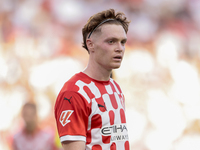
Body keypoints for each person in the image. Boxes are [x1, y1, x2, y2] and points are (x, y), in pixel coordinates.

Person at [54, 9, 130, 150]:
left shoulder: (115, 87)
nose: (119, 48)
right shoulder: (74, 93)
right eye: (111, 41)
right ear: (90, 44)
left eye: (123, 42)